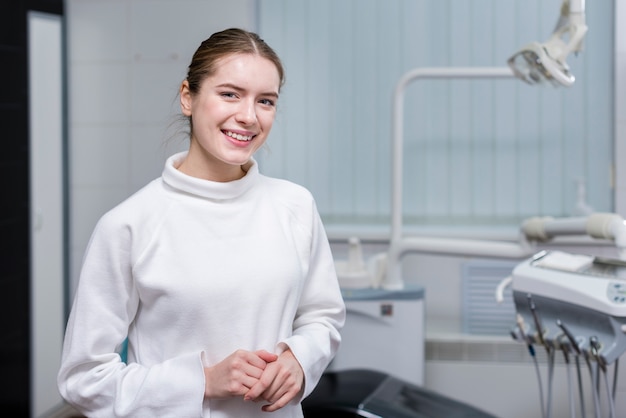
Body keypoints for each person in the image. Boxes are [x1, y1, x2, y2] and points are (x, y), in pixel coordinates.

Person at [57, 27, 346, 417]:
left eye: (265, 101)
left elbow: (323, 316)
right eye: (229, 94)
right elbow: (83, 378)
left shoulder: (295, 205)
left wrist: (299, 358)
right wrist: (203, 381)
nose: (247, 116)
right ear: (188, 97)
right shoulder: (129, 224)